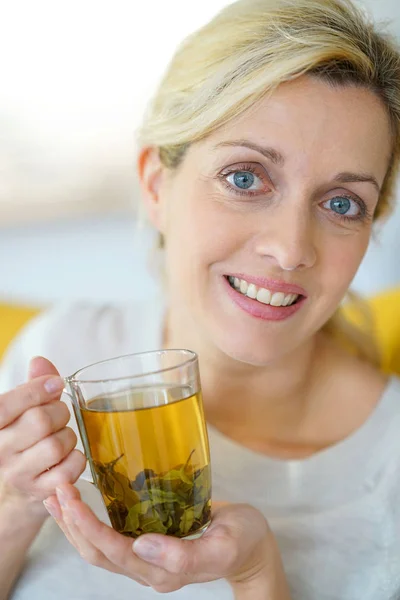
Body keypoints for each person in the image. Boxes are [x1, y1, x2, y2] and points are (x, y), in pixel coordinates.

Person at [1, 0, 400, 598]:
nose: (291, 249)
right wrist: (12, 507)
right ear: (157, 186)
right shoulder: (61, 353)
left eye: (341, 203)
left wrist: (257, 573)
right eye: (246, 178)